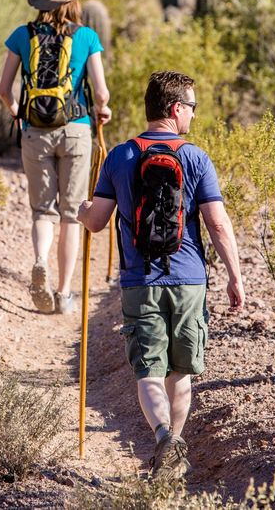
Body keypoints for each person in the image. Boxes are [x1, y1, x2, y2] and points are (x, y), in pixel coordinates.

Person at [77, 70, 244, 480]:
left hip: (140, 281)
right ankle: (173, 457)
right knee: (179, 373)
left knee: (148, 370)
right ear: (174, 109)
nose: (192, 115)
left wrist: (81, 210)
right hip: (189, 281)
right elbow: (218, 224)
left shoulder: (119, 155)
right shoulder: (196, 157)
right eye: (191, 107)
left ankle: (164, 437)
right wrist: (235, 276)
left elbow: (97, 222)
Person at [0, 0, 112, 315]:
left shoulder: (22, 35)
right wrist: (102, 110)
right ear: (74, 3)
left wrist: (19, 112)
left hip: (34, 130)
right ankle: (63, 294)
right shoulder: (87, 36)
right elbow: (102, 92)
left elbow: (4, 89)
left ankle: (39, 261)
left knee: (41, 211)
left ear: (43, 2)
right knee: (71, 214)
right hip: (76, 130)